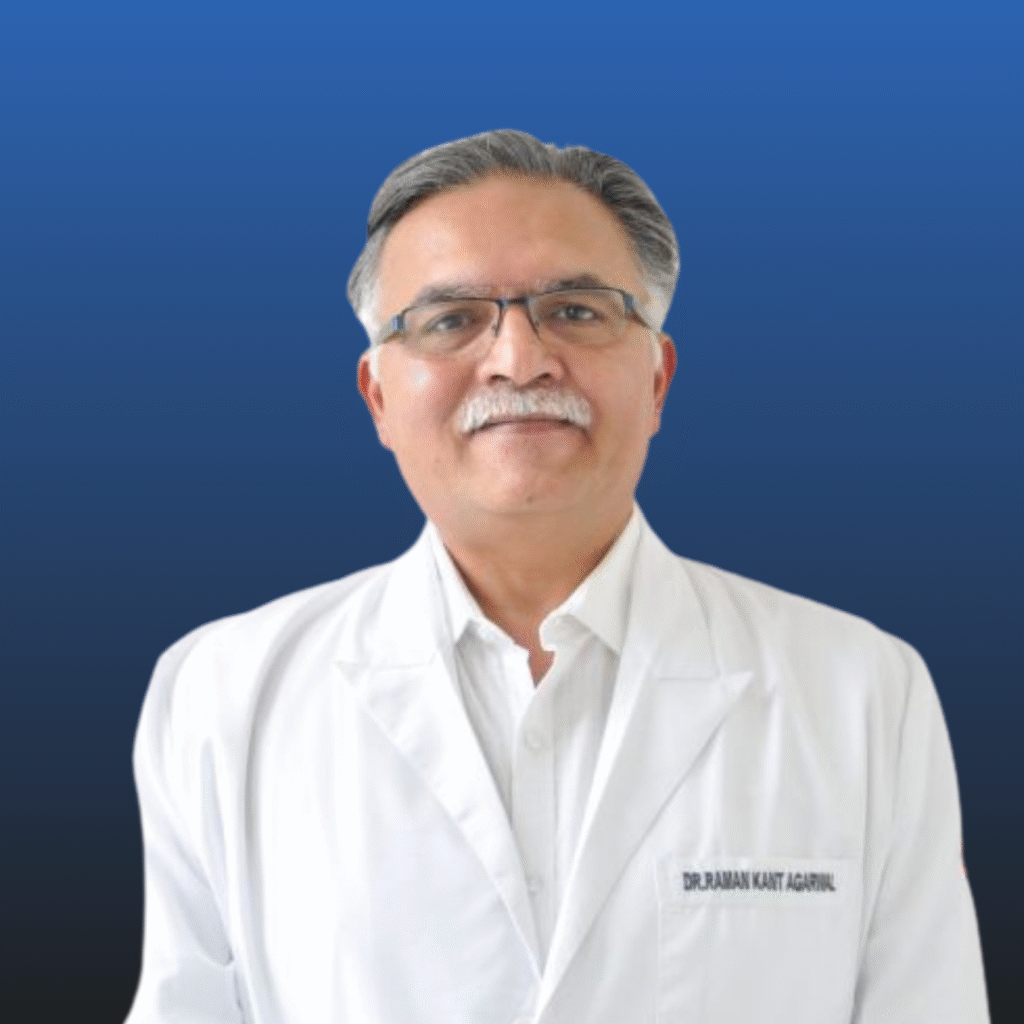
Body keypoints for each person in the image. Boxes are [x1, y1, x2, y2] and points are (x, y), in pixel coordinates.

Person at [125, 129, 989, 1023]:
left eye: (575, 310)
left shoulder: (861, 691)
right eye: (450, 319)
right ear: (377, 398)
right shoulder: (222, 696)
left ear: (657, 380)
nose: (518, 359)